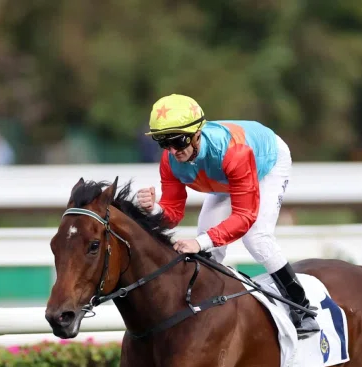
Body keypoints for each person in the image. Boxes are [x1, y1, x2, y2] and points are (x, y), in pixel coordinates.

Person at [135, 94, 319, 338]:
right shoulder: (170, 160)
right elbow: (173, 213)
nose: (171, 151)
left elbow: (244, 217)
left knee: (256, 238)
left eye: (177, 141)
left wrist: (199, 242)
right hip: (225, 175)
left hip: (265, 163)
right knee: (208, 249)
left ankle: (302, 309)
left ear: (197, 134)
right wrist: (153, 209)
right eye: (163, 143)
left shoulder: (234, 153)